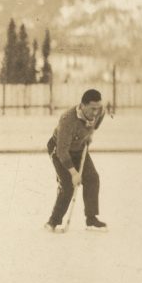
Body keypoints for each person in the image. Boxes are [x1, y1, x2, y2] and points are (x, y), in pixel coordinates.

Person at [44, 89, 107, 232]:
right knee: (68, 186)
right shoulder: (68, 119)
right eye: (92, 109)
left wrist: (91, 133)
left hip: (79, 148)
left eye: (97, 108)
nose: (95, 112)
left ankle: (91, 219)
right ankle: (52, 222)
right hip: (59, 150)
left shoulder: (100, 111)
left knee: (92, 178)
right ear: (83, 106)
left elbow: (99, 118)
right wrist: (74, 173)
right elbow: (62, 152)